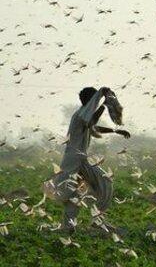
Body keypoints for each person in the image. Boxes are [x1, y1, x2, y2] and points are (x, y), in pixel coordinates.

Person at [43, 87, 130, 232]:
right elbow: (91, 122)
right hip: (78, 159)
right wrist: (104, 105)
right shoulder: (80, 116)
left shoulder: (82, 115)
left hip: (75, 159)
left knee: (74, 193)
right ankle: (95, 221)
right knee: (105, 181)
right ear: (92, 101)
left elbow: (94, 126)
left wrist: (115, 130)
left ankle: (69, 226)